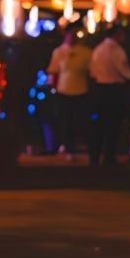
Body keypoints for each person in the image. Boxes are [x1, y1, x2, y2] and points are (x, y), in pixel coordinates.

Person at [88, 26, 130, 166]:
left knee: (97, 126)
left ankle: (94, 157)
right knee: (111, 125)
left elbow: (92, 71)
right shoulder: (116, 50)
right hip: (113, 90)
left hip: (98, 90)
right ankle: (108, 157)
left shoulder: (98, 49)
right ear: (117, 35)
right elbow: (125, 71)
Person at [46, 27, 94, 160]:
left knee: (84, 123)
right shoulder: (59, 52)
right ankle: (69, 149)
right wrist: (52, 87)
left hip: (81, 91)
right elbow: (53, 70)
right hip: (63, 92)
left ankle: (91, 150)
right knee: (65, 123)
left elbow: (91, 71)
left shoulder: (86, 52)